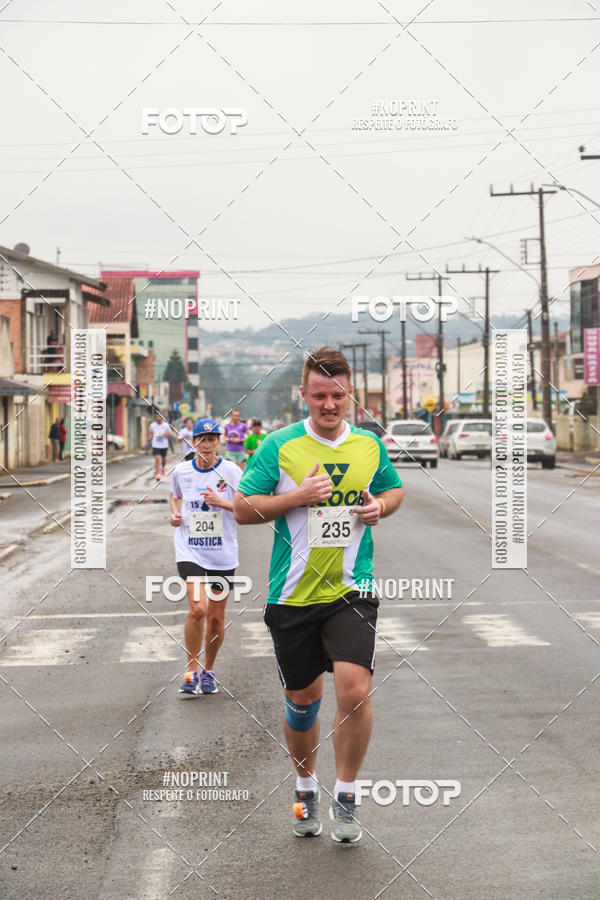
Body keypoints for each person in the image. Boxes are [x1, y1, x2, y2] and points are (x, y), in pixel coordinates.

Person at [234, 347, 403, 844]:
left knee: (354, 691)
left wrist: (379, 508)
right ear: (304, 395)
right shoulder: (279, 446)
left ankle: (346, 796)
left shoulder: (369, 445)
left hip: (353, 588)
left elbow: (394, 491)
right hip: (292, 596)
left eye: (338, 395)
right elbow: (243, 508)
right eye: (320, 395)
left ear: (349, 396)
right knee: (304, 700)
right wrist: (297, 498)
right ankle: (306, 787)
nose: (329, 405)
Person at [170, 418, 242, 695]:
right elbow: (174, 495)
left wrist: (221, 502)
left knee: (215, 618)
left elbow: (246, 505)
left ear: (219, 442)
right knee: (198, 609)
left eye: (212, 439)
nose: (207, 444)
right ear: (194, 442)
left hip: (222, 553)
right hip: (190, 548)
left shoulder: (232, 472)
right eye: (202, 439)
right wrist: (176, 514)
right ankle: (191, 669)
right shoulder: (181, 471)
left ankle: (209, 670)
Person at [148, 410, 171, 481]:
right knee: (157, 459)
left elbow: (169, 434)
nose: (158, 418)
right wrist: (150, 438)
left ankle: (163, 468)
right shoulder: (152, 425)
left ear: (162, 418)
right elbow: (151, 433)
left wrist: (165, 435)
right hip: (156, 445)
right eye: (156, 417)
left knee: (163, 461)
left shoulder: (166, 425)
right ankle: (158, 474)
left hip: (164, 445)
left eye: (159, 417)